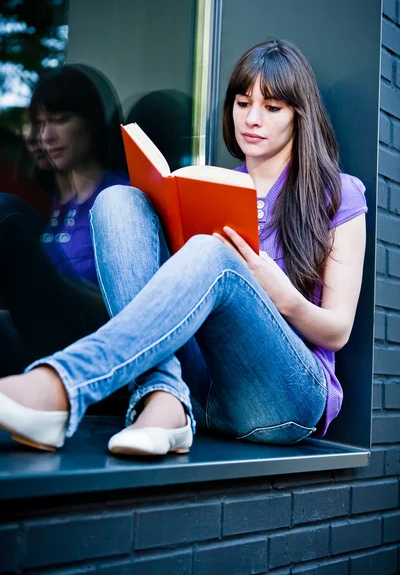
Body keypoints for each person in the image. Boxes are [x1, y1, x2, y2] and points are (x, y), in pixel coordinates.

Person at [0, 40, 367, 456]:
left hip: (283, 396)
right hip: (202, 386)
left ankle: (62, 386)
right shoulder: (212, 186)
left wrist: (279, 293)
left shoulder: (339, 194)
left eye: (272, 108)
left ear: (299, 116)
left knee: (214, 254)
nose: (252, 119)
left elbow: (337, 331)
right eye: (243, 103)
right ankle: (164, 399)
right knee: (118, 200)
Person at [0, 65, 129, 371]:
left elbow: (128, 309)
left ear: (92, 122)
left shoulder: (120, 197)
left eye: (59, 121)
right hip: (39, 346)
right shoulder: (53, 207)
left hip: (95, 349)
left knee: (5, 210)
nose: (46, 135)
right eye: (40, 124)